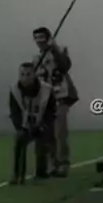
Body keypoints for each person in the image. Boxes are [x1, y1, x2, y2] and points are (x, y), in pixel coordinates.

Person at [32, 27, 79, 177]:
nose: (39, 41)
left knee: (60, 132)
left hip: (60, 96)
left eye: (42, 37)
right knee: (48, 133)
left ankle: (63, 163)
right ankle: (52, 164)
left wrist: (54, 48)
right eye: (36, 38)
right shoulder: (36, 58)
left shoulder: (60, 50)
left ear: (48, 38)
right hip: (45, 99)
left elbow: (65, 66)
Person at [9, 62, 57, 184]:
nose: (25, 78)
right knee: (19, 140)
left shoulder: (46, 89)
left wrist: (44, 125)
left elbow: (51, 110)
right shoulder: (15, 90)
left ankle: (42, 171)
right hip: (25, 125)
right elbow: (14, 112)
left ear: (34, 75)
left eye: (28, 74)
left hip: (42, 123)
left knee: (44, 141)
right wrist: (20, 127)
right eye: (22, 74)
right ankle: (17, 175)